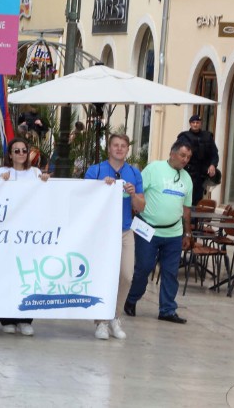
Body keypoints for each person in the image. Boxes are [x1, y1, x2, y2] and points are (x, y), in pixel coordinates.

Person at [125, 140, 193, 325]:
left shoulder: (187, 178)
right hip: (148, 230)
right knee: (144, 268)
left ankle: (167, 309)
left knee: (170, 272)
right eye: (182, 155)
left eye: (188, 157)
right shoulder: (154, 169)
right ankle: (131, 299)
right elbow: (139, 193)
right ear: (172, 153)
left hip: (174, 233)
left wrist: (188, 233)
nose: (185, 160)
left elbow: (186, 208)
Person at [84, 133, 145, 341]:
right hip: (101, 231)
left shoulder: (134, 173)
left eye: (123, 146)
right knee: (103, 275)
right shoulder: (96, 170)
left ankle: (114, 316)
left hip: (125, 230)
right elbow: (84, 200)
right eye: (115, 145)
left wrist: (134, 193)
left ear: (127, 150)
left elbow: (141, 206)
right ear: (109, 148)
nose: (119, 149)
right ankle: (100, 321)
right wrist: (101, 188)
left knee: (126, 275)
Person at [0, 137, 49, 337]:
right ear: (10, 154)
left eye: (23, 150)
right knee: (7, 275)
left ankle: (25, 319)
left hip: (29, 234)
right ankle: (6, 318)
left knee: (28, 275)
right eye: (16, 151)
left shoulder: (35, 173)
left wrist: (44, 182)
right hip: (7, 234)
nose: (20, 154)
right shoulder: (2, 173)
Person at [177, 114, 219, 206]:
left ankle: (194, 220)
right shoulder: (184, 137)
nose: (195, 124)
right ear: (190, 124)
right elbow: (177, 153)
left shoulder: (207, 136)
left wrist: (213, 165)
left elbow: (214, 154)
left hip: (201, 174)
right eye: (193, 122)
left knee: (197, 200)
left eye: (197, 122)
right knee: (184, 197)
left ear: (200, 124)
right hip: (187, 171)